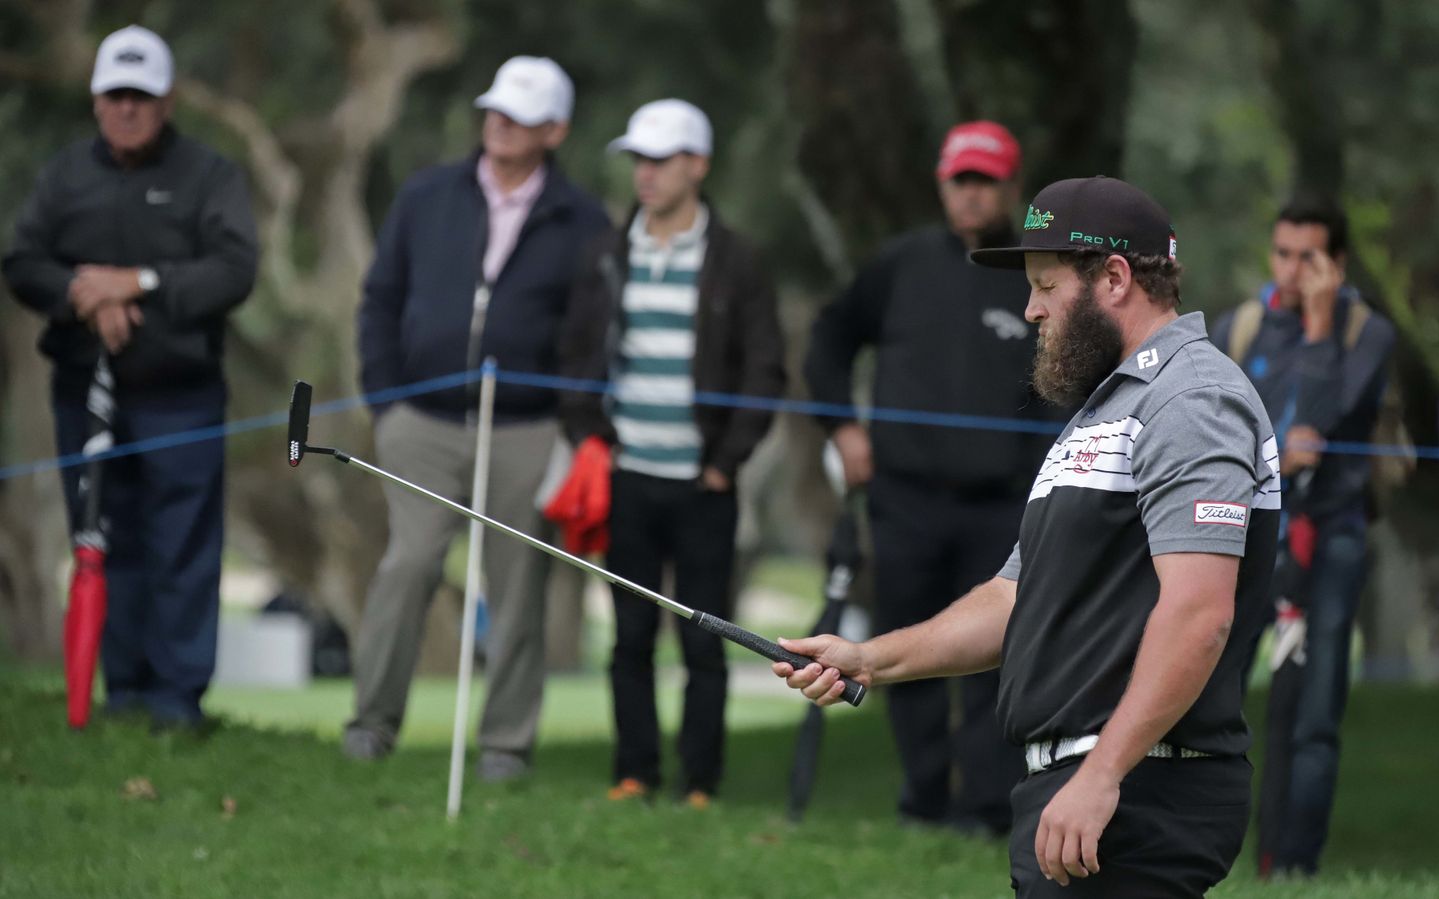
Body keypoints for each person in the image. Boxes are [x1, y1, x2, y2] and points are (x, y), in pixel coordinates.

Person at [777, 177, 1281, 897]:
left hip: (1140, 787)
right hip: (1079, 787)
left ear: (1113, 278)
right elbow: (1015, 595)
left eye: (1046, 285)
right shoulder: (1102, 411)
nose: (1029, 309)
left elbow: (1200, 614)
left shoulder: (1193, 399)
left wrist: (1103, 772)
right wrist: (868, 659)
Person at [347, 56, 609, 781]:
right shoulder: (429, 194)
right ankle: (370, 724)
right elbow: (380, 300)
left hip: (526, 427)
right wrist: (386, 402)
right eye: (495, 109)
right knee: (410, 562)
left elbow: (592, 335)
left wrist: (571, 427)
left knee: (518, 582)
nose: (499, 122)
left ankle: (504, 746)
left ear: (554, 131)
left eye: (520, 116)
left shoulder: (584, 220)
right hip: (423, 419)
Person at [2, 25, 258, 730]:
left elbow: (234, 269)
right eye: (116, 95)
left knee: (183, 544)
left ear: (168, 99)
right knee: (107, 542)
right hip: (84, 392)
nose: (128, 109)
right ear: (95, 100)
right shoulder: (64, 177)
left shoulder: (209, 176)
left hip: (181, 393)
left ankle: (178, 700)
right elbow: (24, 262)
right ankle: (122, 693)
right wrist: (85, 294)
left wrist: (138, 285)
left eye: (142, 97)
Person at [802, 121, 1054, 836]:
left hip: (1001, 504)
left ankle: (983, 807)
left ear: (1011, 187)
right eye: (959, 180)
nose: (970, 194)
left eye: (985, 181)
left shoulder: (1035, 276)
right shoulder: (902, 263)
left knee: (991, 655)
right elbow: (829, 337)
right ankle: (923, 797)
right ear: (943, 183)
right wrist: (842, 426)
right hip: (905, 497)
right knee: (901, 647)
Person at [560, 99, 785, 807]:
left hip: (703, 485)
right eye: (639, 161)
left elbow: (765, 370)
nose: (646, 175)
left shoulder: (737, 258)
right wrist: (591, 441)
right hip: (625, 477)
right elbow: (573, 360)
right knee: (628, 637)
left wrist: (726, 462)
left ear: (698, 166)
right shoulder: (606, 252)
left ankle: (700, 781)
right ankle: (635, 771)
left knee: (702, 637)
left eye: (660, 160)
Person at [1207, 196, 1397, 876]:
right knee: (1210, 693)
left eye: (1309, 257)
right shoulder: (1241, 325)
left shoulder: (1365, 333)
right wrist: (1278, 452)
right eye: (1283, 253)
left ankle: (1293, 866)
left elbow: (1323, 420)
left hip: (1334, 535)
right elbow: (1221, 429)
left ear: (1338, 264)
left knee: (1314, 711)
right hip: (1248, 537)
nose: (1292, 269)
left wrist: (1319, 323)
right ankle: (1208, 852)